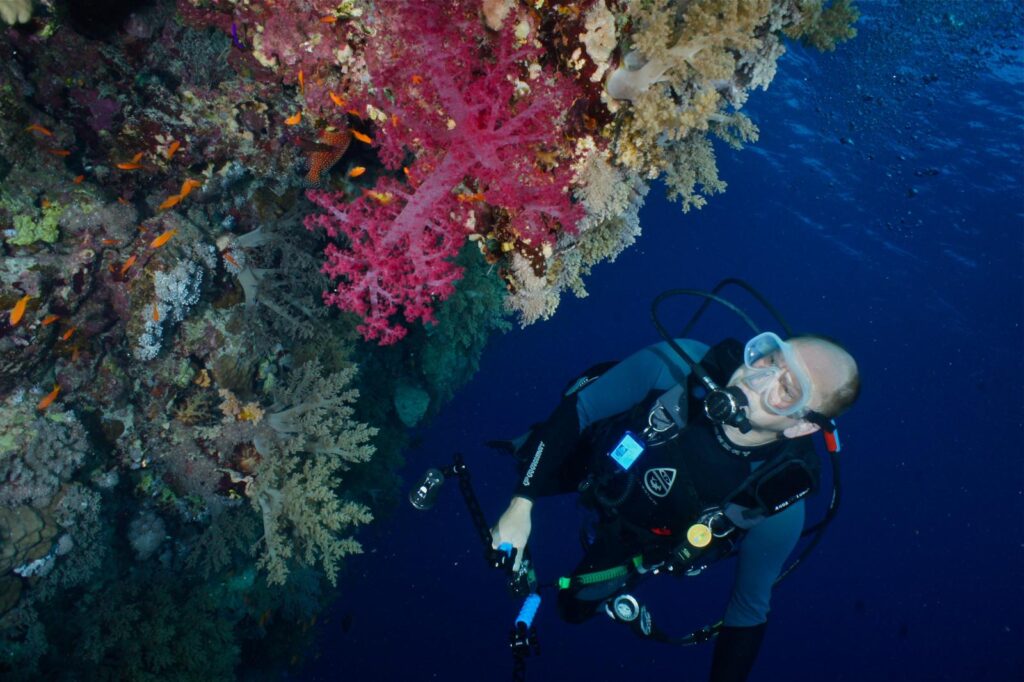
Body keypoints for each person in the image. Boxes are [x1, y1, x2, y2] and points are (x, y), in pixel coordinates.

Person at [490, 332, 860, 682]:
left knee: (572, 610)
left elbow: (747, 611)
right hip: (597, 460)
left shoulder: (776, 499)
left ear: (801, 428)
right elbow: (582, 409)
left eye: (787, 389)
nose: (757, 377)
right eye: (769, 358)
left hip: (637, 540)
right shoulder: (680, 363)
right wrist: (521, 504)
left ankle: (607, 598)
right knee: (514, 464)